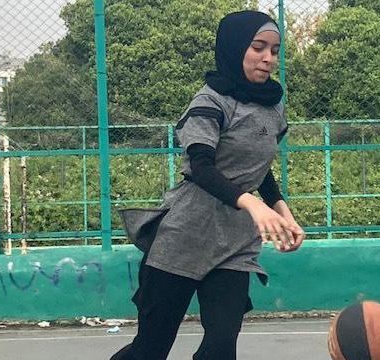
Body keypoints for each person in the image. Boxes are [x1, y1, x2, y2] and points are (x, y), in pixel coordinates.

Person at [112, 10, 305, 360]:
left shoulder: (273, 107)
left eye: (275, 50)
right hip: (185, 236)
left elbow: (257, 167)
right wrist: (252, 204)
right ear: (234, 48)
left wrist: (281, 210)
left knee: (220, 348)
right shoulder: (210, 101)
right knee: (150, 350)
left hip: (234, 246)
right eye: (258, 47)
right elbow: (202, 168)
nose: (268, 58)